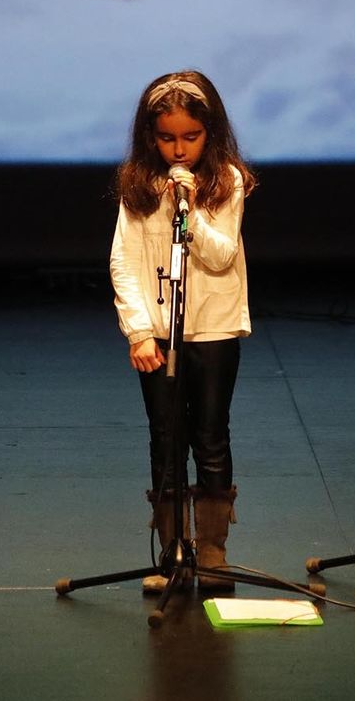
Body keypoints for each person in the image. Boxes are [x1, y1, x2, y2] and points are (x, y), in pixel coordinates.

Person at [108, 71, 257, 595]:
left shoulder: (227, 181)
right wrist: (138, 332)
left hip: (214, 329)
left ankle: (213, 551)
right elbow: (123, 261)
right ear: (150, 137)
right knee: (166, 437)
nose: (178, 149)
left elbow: (219, 256)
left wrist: (186, 212)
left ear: (208, 134)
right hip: (159, 331)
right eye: (167, 138)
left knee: (211, 436)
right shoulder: (138, 184)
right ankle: (172, 550)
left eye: (189, 138)